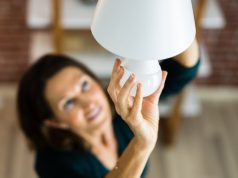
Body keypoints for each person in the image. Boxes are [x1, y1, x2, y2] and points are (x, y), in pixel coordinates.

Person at [17, 39, 200, 178]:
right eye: (68, 103)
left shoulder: (122, 104)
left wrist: (175, 13)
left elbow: (183, 69)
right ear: (54, 121)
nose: (88, 103)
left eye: (84, 85)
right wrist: (142, 145)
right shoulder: (52, 163)